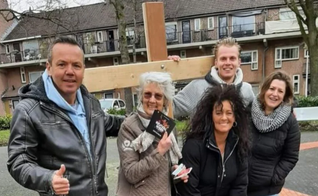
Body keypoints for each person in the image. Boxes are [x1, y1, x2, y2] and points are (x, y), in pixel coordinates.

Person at [7, 36, 124, 196]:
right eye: (62, 64)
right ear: (49, 67)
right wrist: (48, 179)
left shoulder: (90, 104)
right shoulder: (29, 111)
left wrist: (154, 120)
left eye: (76, 65)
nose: (70, 71)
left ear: (83, 69)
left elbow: (117, 124)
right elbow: (18, 160)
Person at [116, 72, 188, 196]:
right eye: (148, 94)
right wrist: (159, 152)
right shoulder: (129, 126)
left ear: (165, 101)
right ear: (141, 97)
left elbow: (160, 170)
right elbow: (131, 173)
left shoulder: (166, 124)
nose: (152, 100)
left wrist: (175, 172)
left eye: (158, 96)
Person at [176, 84, 250, 196]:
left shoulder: (239, 144)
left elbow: (240, 187)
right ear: (210, 116)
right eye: (218, 113)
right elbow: (188, 190)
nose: (224, 118)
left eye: (229, 113)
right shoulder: (194, 146)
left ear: (235, 117)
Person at [170, 37, 255, 118]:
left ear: (239, 62)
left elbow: (258, 117)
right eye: (223, 59)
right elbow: (170, 108)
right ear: (216, 62)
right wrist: (167, 75)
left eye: (232, 58)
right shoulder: (197, 88)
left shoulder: (246, 90)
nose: (228, 62)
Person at [247, 71, 300, 196]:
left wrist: (274, 177)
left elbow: (291, 157)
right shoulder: (247, 113)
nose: (275, 94)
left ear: (285, 95)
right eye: (272, 89)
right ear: (264, 89)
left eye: (280, 91)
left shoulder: (290, 122)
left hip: (268, 191)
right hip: (240, 186)